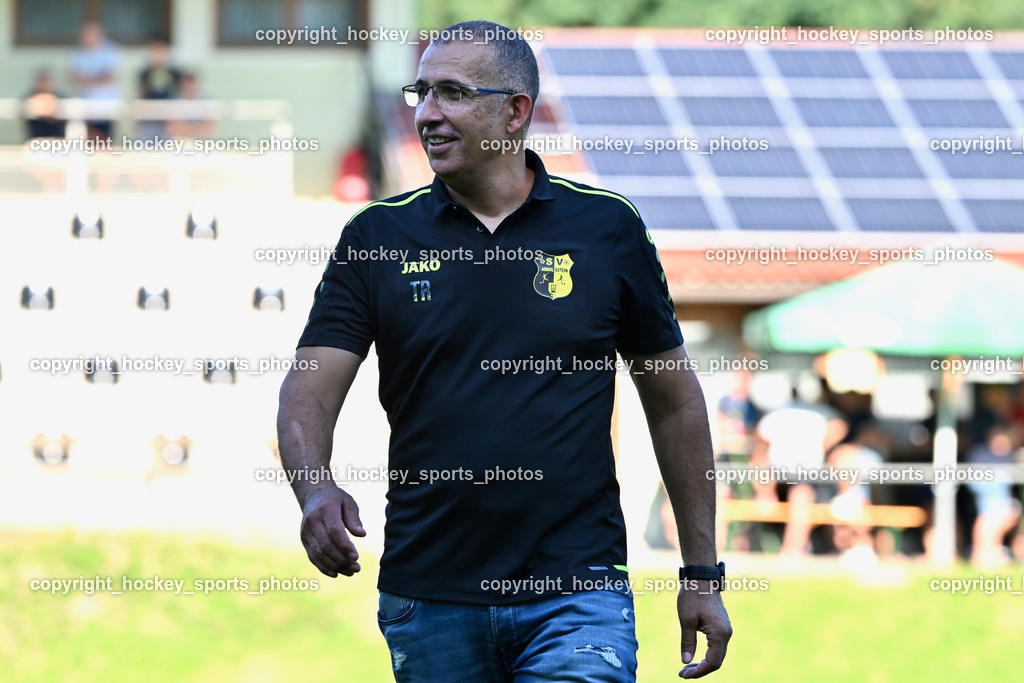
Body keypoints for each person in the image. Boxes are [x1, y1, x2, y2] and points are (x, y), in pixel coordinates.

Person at [277, 20, 731, 682]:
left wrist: (701, 571)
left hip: (578, 596)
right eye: (421, 93)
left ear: (514, 112)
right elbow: (308, 388)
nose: (427, 114)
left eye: (452, 93)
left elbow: (673, 401)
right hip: (428, 598)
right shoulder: (377, 236)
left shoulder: (606, 229)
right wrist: (313, 488)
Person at [965, 425, 1021, 567]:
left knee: (1007, 514)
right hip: (987, 498)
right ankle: (982, 554)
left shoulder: (1008, 456)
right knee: (990, 518)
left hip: (1000, 501)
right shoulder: (979, 453)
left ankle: (992, 551)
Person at [69, 22, 120, 142]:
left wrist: (87, 79)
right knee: (89, 141)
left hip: (107, 106)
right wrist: (97, 77)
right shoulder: (77, 53)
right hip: (86, 106)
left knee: (106, 142)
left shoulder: (110, 51)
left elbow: (109, 77)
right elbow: (75, 78)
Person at [137, 38, 181, 141]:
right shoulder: (145, 73)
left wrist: (175, 118)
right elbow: (141, 94)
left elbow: (178, 94)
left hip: (168, 119)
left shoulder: (174, 73)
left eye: (160, 52)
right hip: (149, 118)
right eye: (155, 52)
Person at [23, 69, 66, 140]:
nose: (44, 84)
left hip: (57, 140)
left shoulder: (60, 97)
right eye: (42, 81)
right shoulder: (29, 97)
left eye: (47, 81)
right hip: (35, 140)